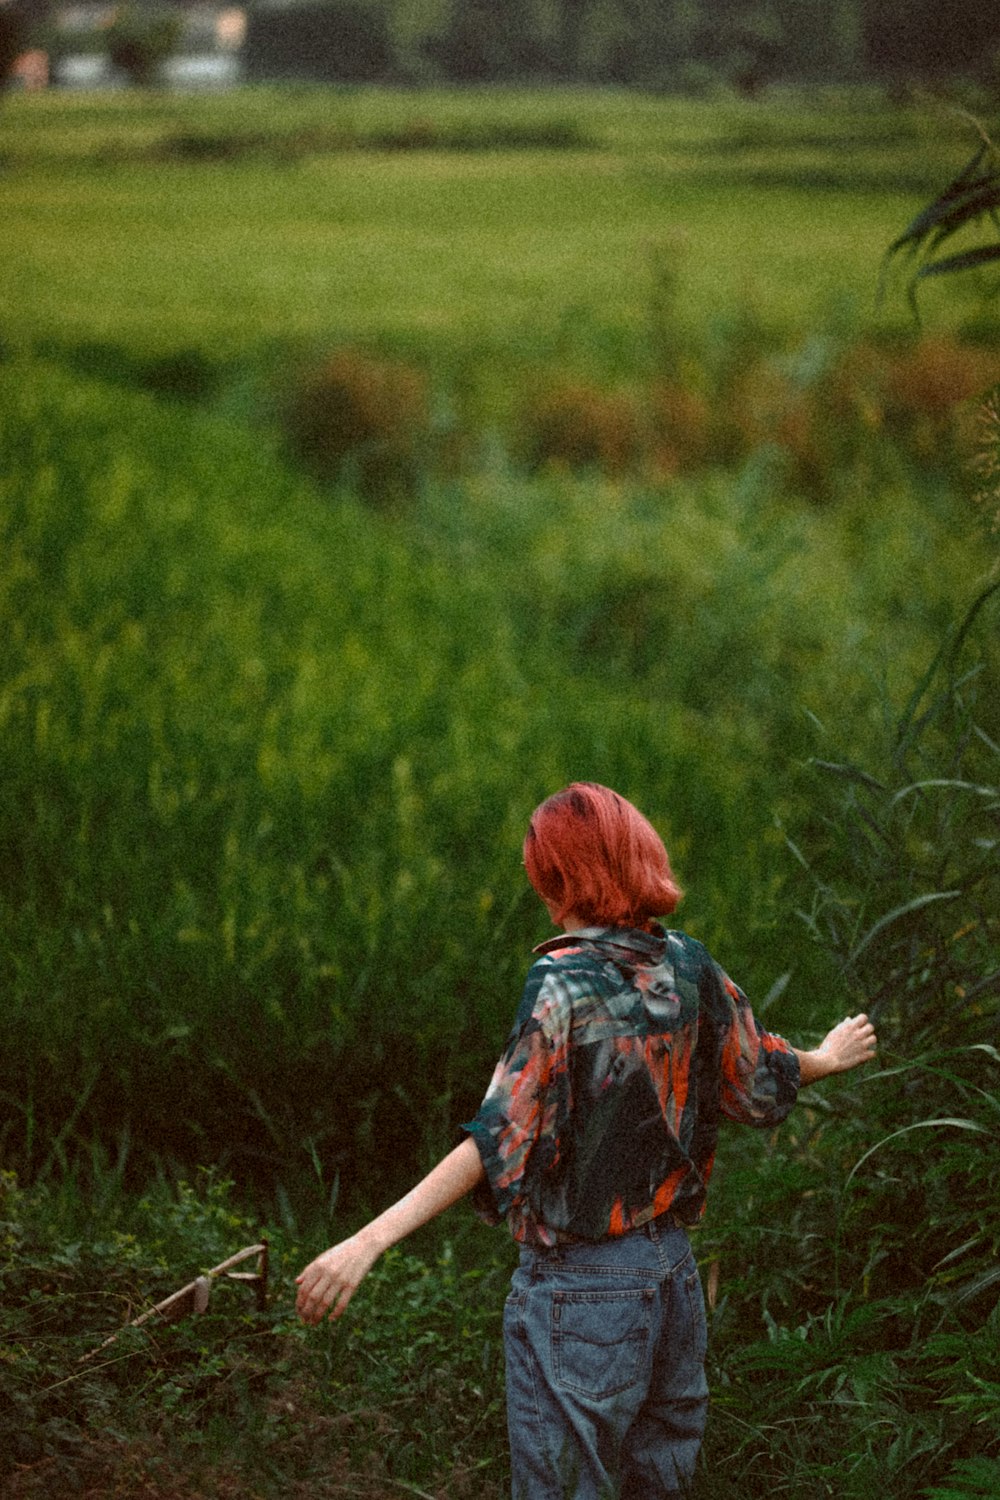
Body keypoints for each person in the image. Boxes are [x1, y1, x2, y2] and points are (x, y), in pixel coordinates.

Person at [296, 782, 877, 1499]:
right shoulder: (689, 965)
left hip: (583, 1290)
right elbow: (756, 1083)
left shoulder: (561, 984)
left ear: (560, 877)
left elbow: (497, 1139)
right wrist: (825, 1056)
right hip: (673, 1279)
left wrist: (366, 1242)